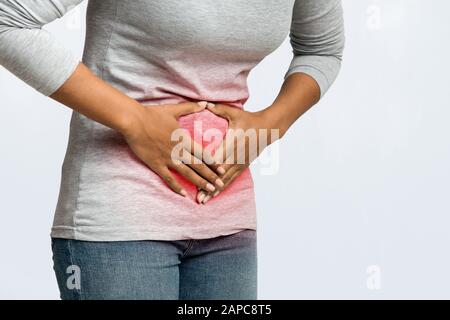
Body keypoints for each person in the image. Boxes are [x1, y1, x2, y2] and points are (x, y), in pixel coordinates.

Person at [0, 0, 345, 300]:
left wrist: (270, 124)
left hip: (228, 222)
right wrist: (135, 120)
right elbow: (8, 17)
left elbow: (322, 48)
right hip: (122, 220)